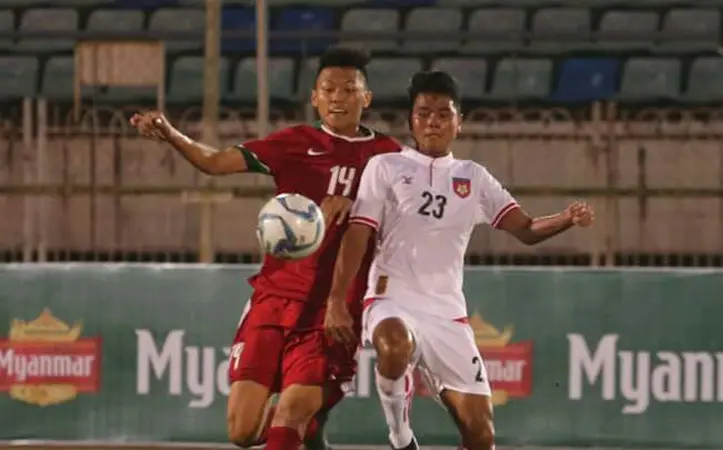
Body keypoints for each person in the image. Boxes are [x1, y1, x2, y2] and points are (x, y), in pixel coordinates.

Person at [130, 47, 401, 450]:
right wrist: (172, 133)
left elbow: (407, 226)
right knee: (242, 433)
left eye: (349, 89)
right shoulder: (294, 143)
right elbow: (217, 162)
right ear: (314, 98)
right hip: (273, 299)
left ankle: (300, 422)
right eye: (328, 89)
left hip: (331, 308)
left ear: (367, 98)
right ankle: (307, 427)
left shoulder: (390, 157)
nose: (338, 97)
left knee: (291, 411)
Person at [324, 70, 595, 450]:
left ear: (459, 122)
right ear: (410, 121)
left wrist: (566, 218)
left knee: (480, 435)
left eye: (442, 113)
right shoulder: (386, 167)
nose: (432, 121)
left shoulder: (475, 178)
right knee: (394, 344)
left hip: (447, 314)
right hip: (391, 298)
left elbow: (527, 229)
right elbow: (359, 232)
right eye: (423, 113)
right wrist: (337, 299)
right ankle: (401, 438)